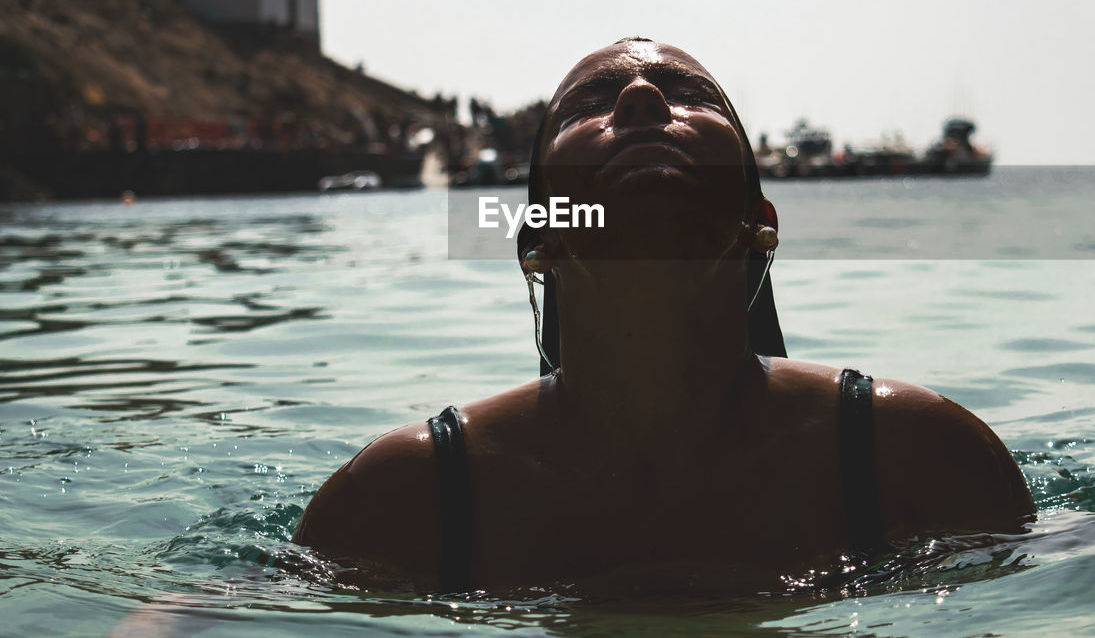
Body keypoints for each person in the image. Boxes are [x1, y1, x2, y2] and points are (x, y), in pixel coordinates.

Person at [293, 38, 1034, 592]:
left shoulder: (918, 456)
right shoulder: (406, 496)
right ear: (540, 237)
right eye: (589, 104)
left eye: (691, 95)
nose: (642, 98)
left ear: (758, 220)